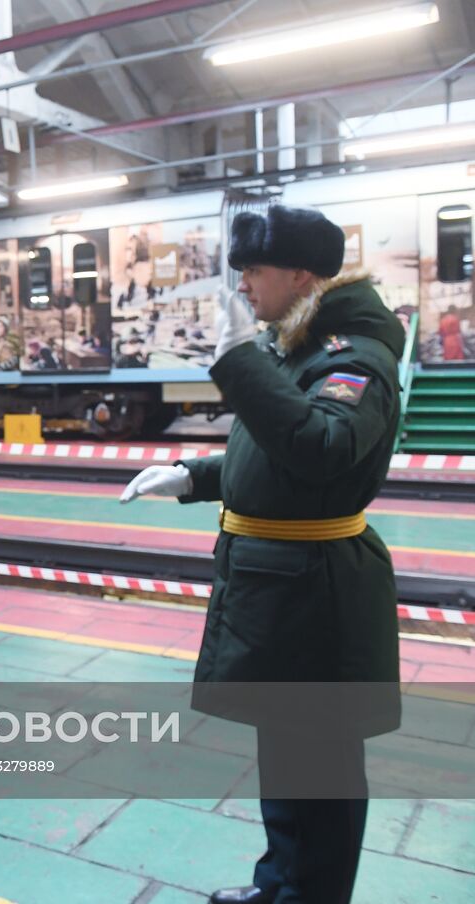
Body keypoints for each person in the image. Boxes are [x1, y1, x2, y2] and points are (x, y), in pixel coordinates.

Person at [121, 204, 403, 904]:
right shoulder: (306, 349)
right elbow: (272, 454)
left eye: (255, 270)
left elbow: (322, 449)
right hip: (285, 590)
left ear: (302, 276)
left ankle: (313, 895)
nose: (244, 284)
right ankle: (280, 885)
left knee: (323, 774)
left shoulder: (354, 358)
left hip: (319, 595)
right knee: (285, 756)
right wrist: (196, 476)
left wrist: (239, 363)